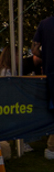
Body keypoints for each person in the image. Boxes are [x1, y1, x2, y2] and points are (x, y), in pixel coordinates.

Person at [31, 15, 54, 160]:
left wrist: (46, 56)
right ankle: (51, 147)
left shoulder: (44, 24)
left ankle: (51, 147)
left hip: (50, 72)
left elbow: (34, 49)